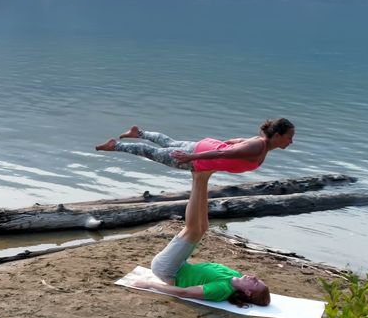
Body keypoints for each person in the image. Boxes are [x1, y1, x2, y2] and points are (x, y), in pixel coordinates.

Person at [133, 170, 271, 307]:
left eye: (256, 283)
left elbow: (184, 293)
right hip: (180, 265)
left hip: (168, 270)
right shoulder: (234, 275)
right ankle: (202, 180)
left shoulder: (221, 289)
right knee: (203, 227)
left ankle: (198, 179)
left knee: (192, 229)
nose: (254, 277)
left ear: (247, 292)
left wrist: (149, 284)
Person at [95, 118, 295, 174]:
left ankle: (138, 133)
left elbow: (233, 142)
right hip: (197, 158)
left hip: (201, 147)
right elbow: (227, 151)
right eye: (289, 137)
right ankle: (115, 146)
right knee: (152, 152)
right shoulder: (257, 148)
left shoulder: (257, 142)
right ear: (277, 135)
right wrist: (191, 159)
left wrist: (217, 148)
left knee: (169, 142)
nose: (291, 141)